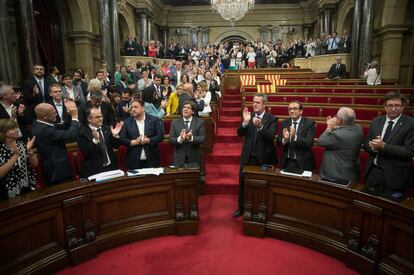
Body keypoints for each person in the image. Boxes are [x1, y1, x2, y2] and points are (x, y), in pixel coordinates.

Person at [363, 91, 414, 194]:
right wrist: (374, 147)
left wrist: (383, 146)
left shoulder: (410, 124)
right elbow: (366, 144)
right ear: (385, 107)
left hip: (395, 176)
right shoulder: (376, 121)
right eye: (390, 105)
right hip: (373, 172)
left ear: (403, 107)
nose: (394, 109)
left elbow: (409, 152)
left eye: (397, 106)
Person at [235, 94, 277, 218]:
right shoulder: (249, 116)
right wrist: (245, 123)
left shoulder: (272, 119)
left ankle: (260, 210)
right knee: (242, 183)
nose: (254, 104)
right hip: (247, 157)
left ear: (264, 104)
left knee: (261, 186)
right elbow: (239, 133)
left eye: (258, 102)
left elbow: (270, 136)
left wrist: (260, 126)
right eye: (253, 102)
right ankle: (241, 208)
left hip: (263, 158)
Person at [32, 101, 80, 185]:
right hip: (57, 171)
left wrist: (69, 114)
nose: (56, 115)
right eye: (53, 113)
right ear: (45, 117)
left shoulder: (39, 123)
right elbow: (71, 134)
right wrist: (75, 117)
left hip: (56, 168)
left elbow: (63, 126)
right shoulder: (44, 130)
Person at [317, 107, 363, 184]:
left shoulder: (337, 135)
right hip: (351, 173)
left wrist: (329, 128)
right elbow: (343, 130)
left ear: (339, 120)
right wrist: (336, 126)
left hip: (337, 176)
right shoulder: (358, 129)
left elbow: (321, 141)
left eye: (336, 116)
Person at [77, 108, 122, 178]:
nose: (101, 119)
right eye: (97, 117)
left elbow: (116, 146)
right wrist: (95, 140)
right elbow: (85, 152)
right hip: (94, 171)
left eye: (101, 116)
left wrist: (115, 135)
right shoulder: (82, 133)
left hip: (111, 168)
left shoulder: (107, 129)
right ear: (89, 119)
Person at [120, 100, 164, 169]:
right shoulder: (127, 122)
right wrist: (134, 142)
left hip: (152, 159)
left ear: (143, 108)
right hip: (134, 160)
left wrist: (149, 140)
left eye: (136, 107)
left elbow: (160, 136)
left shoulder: (154, 120)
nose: (133, 109)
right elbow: (122, 139)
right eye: (132, 107)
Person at [0, 119, 37, 200]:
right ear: (3, 133)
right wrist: (15, 155)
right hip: (7, 190)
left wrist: (30, 151)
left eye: (16, 127)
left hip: (26, 186)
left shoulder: (21, 144)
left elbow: (34, 164)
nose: (17, 130)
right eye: (12, 129)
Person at [276, 101, 316, 172]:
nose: (291, 111)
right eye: (289, 109)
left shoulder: (309, 123)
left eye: (294, 109)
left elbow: (309, 143)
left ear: (301, 111)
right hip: (287, 161)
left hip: (303, 162)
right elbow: (278, 142)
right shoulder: (285, 122)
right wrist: (285, 139)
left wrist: (295, 138)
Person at [169, 100, 205, 167]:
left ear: (193, 111)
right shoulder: (174, 122)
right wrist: (180, 138)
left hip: (194, 157)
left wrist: (192, 138)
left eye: (188, 108)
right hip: (179, 157)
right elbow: (171, 139)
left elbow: (202, 139)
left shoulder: (200, 122)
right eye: (184, 107)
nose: (185, 109)